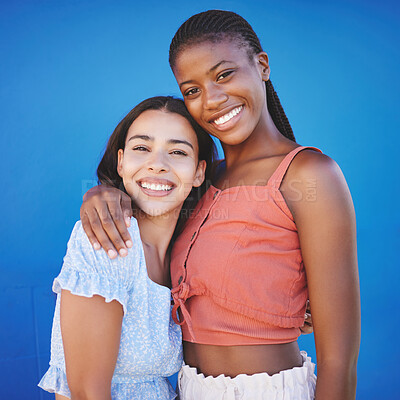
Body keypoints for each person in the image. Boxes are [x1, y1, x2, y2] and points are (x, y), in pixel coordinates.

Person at [80, 10, 361, 400]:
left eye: (224, 74)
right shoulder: (197, 179)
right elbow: (148, 207)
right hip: (187, 389)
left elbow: (338, 361)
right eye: (191, 90)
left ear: (262, 66)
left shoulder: (308, 174)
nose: (211, 100)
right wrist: (105, 192)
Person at [38, 96, 217, 400]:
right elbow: (86, 393)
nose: (157, 164)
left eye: (177, 152)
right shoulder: (108, 239)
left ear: (199, 172)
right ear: (121, 162)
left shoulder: (186, 251)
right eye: (141, 148)